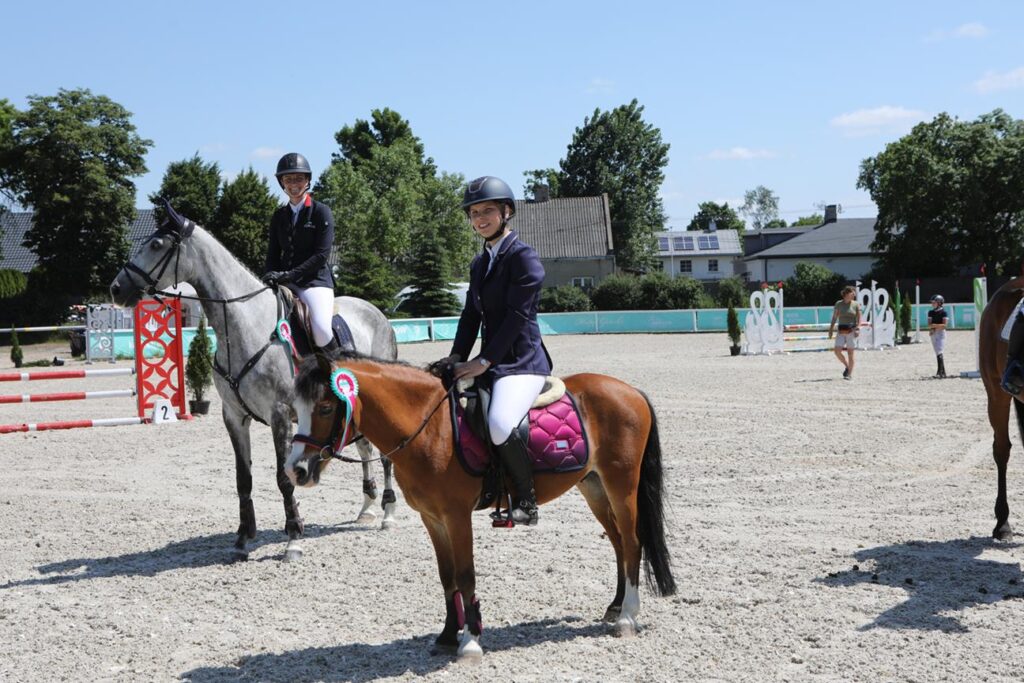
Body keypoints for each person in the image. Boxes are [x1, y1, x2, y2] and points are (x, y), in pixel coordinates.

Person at [438, 176, 551, 526]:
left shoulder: (523, 257)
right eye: (474, 213)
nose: (480, 219)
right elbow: (471, 315)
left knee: (501, 424)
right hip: (493, 363)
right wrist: (457, 357)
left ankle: (527, 502)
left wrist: (484, 360)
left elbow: (518, 317)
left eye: (487, 211)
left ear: (506, 212)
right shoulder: (480, 263)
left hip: (522, 362)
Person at [261, 153, 340, 355]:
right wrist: (269, 275)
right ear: (282, 183)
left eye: (298, 179)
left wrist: (290, 275)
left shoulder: (321, 212)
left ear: (307, 181)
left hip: (314, 282)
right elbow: (272, 253)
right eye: (288, 179)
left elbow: (321, 255)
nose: (293, 184)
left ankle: (337, 365)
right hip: (284, 282)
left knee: (321, 330)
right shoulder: (279, 216)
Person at [828, 285, 860, 380]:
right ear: (846, 294)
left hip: (851, 331)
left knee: (850, 354)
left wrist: (858, 328)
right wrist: (831, 329)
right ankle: (847, 366)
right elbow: (834, 317)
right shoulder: (838, 304)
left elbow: (859, 318)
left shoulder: (856, 304)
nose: (854, 295)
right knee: (837, 351)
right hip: (841, 331)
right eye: (852, 293)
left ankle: (849, 374)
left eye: (854, 293)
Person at [927, 294, 949, 378]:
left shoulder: (944, 312)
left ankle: (940, 372)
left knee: (940, 351)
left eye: (934, 302)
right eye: (932, 302)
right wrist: (934, 326)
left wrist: (934, 326)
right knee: (937, 352)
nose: (932, 304)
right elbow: (929, 325)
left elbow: (944, 325)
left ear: (939, 303)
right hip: (933, 333)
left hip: (941, 333)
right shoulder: (931, 312)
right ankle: (942, 372)